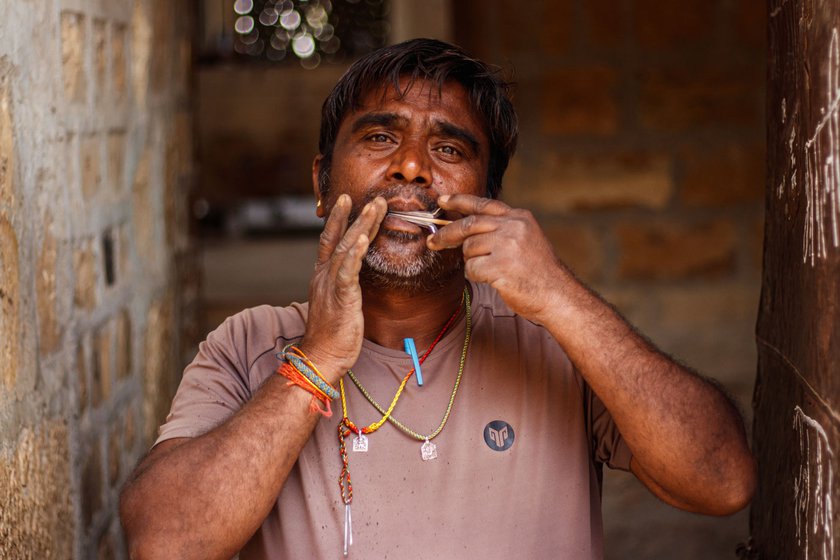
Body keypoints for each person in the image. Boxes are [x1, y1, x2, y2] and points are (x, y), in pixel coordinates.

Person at [119, 38, 756, 560]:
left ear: (490, 198)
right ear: (321, 185)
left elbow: (723, 480)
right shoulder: (251, 347)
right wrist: (314, 361)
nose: (413, 168)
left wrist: (559, 294)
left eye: (449, 149)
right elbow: (164, 543)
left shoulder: (554, 343)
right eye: (379, 138)